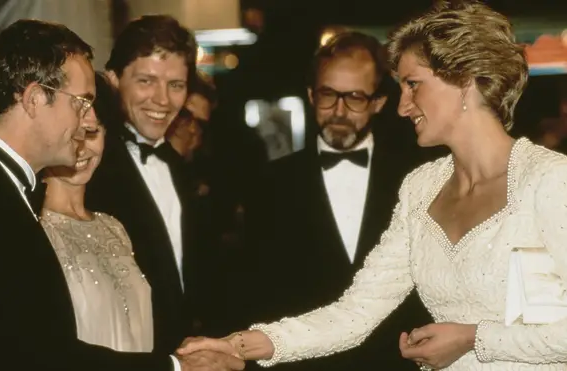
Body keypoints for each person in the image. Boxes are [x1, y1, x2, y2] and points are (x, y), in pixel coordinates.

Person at [177, 1, 567, 370]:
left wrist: (473, 338)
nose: (402, 106)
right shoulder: (421, 186)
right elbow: (356, 311)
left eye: (414, 85)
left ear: (463, 80)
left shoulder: (549, 180)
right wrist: (240, 345)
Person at [0, 19, 243, 371]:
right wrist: (176, 367)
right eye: (82, 102)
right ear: (36, 98)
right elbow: (39, 357)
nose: (87, 121)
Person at [239, 30, 432, 371]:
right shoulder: (268, 182)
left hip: (394, 363)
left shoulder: (417, 178)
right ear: (312, 96)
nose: (339, 111)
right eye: (329, 95)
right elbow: (255, 289)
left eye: (355, 97)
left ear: (378, 103)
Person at [85, 14, 212, 354]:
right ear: (113, 80)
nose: (162, 100)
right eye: (146, 81)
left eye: (175, 85)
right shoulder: (85, 172)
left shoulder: (180, 166)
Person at [39, 72, 154, 352]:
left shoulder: (114, 227)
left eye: (91, 133)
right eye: (71, 134)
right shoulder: (34, 228)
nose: (80, 148)